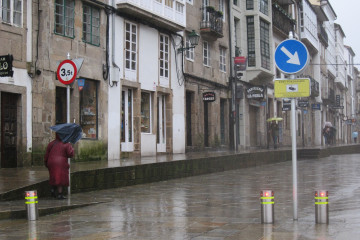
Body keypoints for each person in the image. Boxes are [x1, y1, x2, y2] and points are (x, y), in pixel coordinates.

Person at [44, 133, 74, 199]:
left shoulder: (51, 143)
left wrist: (46, 163)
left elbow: (46, 154)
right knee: (60, 178)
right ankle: (60, 194)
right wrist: (72, 148)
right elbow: (70, 154)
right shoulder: (66, 144)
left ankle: (52, 189)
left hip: (51, 162)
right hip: (61, 163)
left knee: (53, 176)